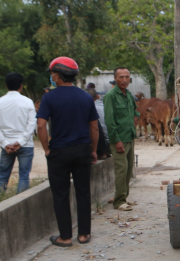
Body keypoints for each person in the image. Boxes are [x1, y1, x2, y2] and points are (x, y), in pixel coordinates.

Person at [37, 56, 99, 247]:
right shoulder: (85, 97)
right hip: (82, 150)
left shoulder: (49, 97)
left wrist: (46, 148)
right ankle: (83, 234)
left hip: (59, 152)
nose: (52, 76)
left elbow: (41, 126)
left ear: (59, 74)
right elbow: (94, 127)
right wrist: (94, 150)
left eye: (53, 73)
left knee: (61, 194)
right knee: (83, 192)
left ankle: (65, 237)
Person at [0, 73, 37, 194]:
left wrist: (5, 143)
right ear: (21, 86)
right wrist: (21, 142)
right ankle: (21, 202)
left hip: (7, 146)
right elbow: (31, 124)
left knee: (2, 175)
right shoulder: (28, 102)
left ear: (6, 86)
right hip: (25, 145)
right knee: (24, 176)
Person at [103, 67, 139, 211]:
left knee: (129, 168)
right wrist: (116, 140)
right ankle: (118, 202)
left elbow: (135, 110)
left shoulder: (128, 95)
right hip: (119, 140)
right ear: (115, 79)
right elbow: (109, 121)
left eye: (127, 77)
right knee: (121, 170)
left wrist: (136, 118)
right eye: (121, 77)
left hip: (130, 137)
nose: (124, 80)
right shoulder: (111, 96)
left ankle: (124, 197)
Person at [86, 87, 110, 159]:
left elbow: (95, 128)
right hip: (113, 142)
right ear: (98, 96)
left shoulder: (91, 108)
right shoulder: (104, 105)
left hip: (105, 145)